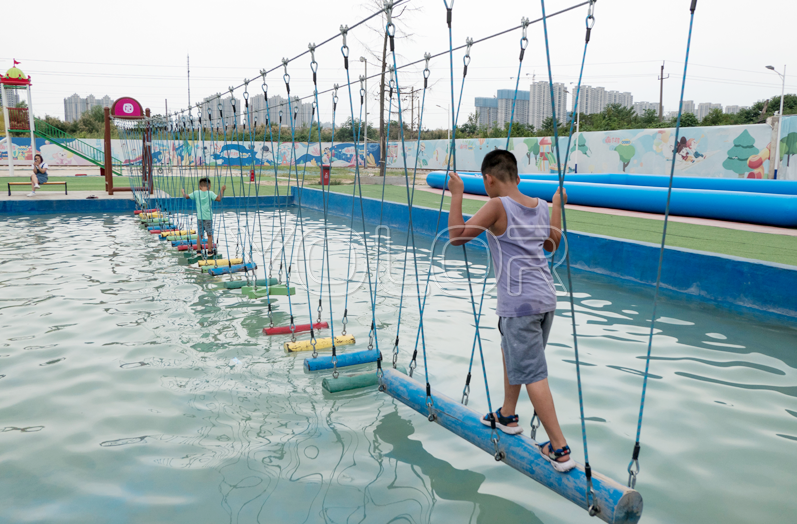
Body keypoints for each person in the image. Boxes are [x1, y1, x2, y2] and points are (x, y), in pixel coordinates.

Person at [446, 149, 575, 473]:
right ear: (517, 177)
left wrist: (458, 195)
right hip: (545, 299)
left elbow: (457, 237)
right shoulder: (541, 205)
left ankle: (558, 447)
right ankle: (507, 413)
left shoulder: (496, 205)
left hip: (520, 305)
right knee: (513, 352)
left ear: (489, 179)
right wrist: (557, 207)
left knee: (532, 372)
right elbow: (551, 245)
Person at [182, 178, 226, 255]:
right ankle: (209, 251)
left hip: (200, 218)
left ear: (200, 187)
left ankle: (198, 250)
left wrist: (183, 192)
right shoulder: (210, 193)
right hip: (208, 218)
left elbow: (186, 196)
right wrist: (222, 190)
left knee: (200, 234)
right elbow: (219, 199)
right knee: (209, 235)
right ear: (209, 186)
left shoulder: (196, 193)